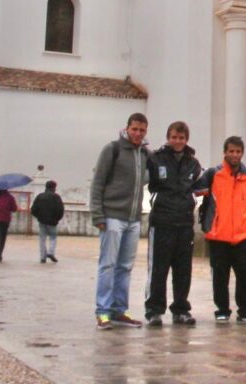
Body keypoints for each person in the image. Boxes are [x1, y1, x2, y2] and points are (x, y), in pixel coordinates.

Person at [90, 113, 150, 331]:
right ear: (127, 128)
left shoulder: (144, 154)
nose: (138, 133)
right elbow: (98, 183)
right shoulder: (112, 150)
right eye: (134, 129)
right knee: (108, 264)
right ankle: (103, 311)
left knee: (125, 267)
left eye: (142, 130)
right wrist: (97, 214)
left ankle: (119, 309)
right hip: (112, 216)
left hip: (133, 219)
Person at [195, 135, 246, 324]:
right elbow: (197, 190)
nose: (234, 155)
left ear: (242, 153)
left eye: (238, 151)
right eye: (231, 151)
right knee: (220, 276)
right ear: (225, 152)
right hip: (218, 233)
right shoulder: (213, 173)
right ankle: (222, 310)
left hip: (242, 233)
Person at [144, 121, 203, 327]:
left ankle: (180, 309)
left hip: (184, 223)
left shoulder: (193, 163)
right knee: (158, 269)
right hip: (161, 221)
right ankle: (154, 310)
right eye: (174, 137)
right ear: (168, 137)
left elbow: (199, 187)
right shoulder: (155, 159)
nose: (177, 141)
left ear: (186, 139)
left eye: (181, 138)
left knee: (183, 270)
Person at [31, 180, 65, 263]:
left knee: (42, 239)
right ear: (54, 188)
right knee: (53, 237)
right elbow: (61, 210)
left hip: (42, 221)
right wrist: (57, 219)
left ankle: (43, 256)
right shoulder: (56, 197)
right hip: (53, 222)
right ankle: (51, 252)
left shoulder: (40, 196)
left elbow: (33, 209)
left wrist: (39, 217)